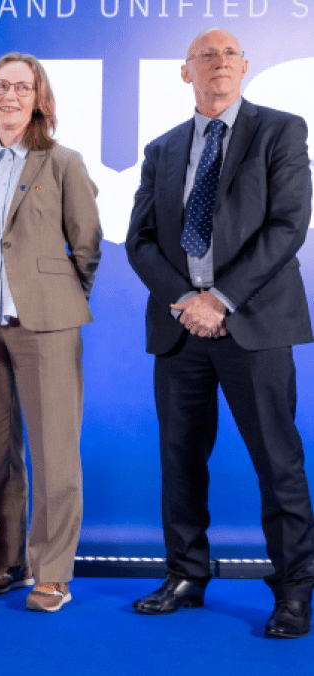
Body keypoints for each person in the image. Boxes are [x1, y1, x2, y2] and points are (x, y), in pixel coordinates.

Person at [126, 27, 314, 639]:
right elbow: (140, 241)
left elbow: (288, 225)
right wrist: (188, 300)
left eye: (230, 53)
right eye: (205, 55)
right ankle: (185, 575)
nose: (219, 62)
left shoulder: (280, 131)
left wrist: (221, 299)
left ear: (245, 66)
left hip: (253, 322)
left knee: (278, 461)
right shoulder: (162, 149)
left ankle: (294, 589)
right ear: (186, 72)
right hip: (181, 327)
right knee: (180, 459)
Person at [0, 53, 102, 613]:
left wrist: (60, 300)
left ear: (39, 98)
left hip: (47, 324)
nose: (9, 96)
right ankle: (7, 560)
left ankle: (53, 572)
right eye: (1, 86)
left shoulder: (62, 162)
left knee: (54, 452)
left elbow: (87, 244)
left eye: (22, 87)